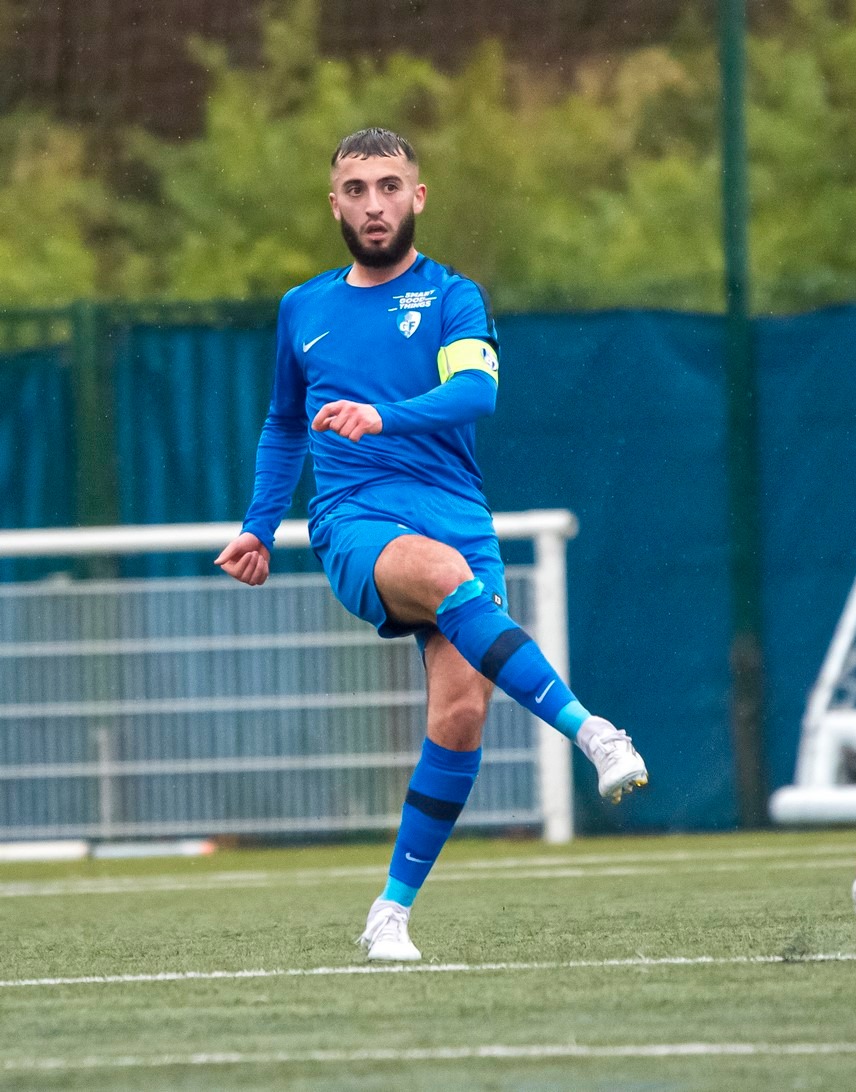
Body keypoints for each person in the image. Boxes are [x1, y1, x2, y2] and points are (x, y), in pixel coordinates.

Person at [215, 127, 647, 963]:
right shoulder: (303, 308)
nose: (372, 204)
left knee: (458, 716)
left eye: (388, 186)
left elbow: (474, 392)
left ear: (418, 197)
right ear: (334, 203)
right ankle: (592, 731)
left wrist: (386, 414)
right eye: (355, 189)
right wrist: (260, 527)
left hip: (456, 513)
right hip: (355, 518)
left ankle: (389, 914)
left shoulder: (452, 296)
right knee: (442, 577)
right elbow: (282, 422)